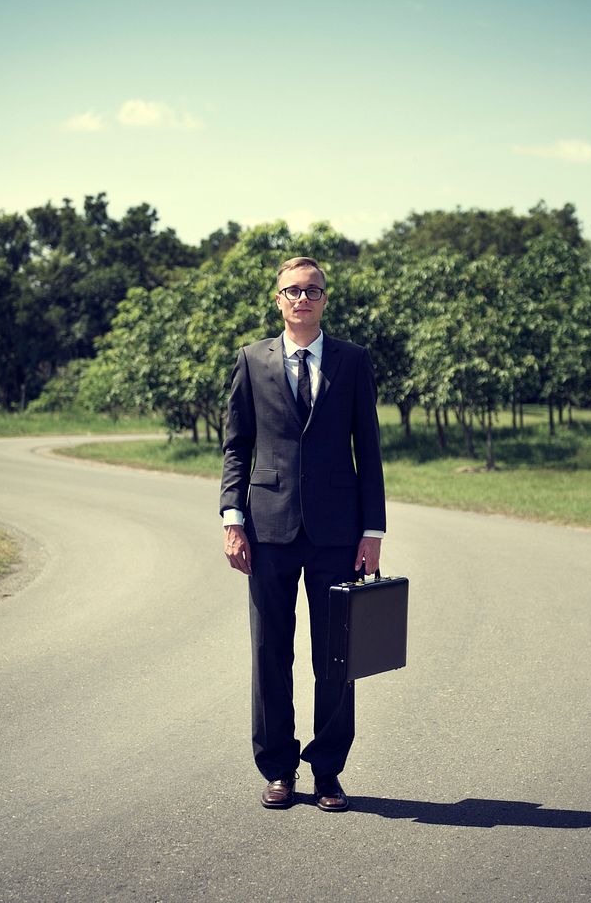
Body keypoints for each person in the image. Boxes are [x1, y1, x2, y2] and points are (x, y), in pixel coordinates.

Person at [220, 256, 387, 812]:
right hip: (267, 529)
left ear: (324, 298)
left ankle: (328, 771)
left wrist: (373, 532)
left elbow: (370, 449)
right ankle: (278, 769)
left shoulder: (353, 361)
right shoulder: (251, 360)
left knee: (336, 656)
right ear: (277, 299)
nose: (302, 298)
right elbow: (237, 447)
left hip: (338, 533)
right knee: (270, 651)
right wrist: (232, 519)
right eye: (292, 290)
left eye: (312, 290)